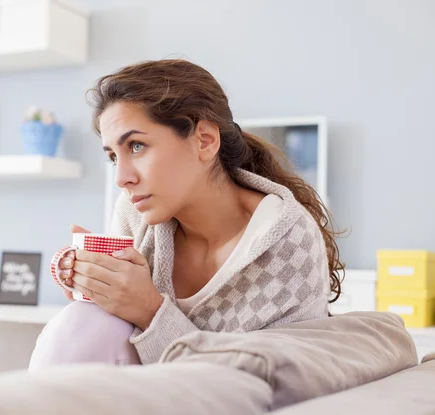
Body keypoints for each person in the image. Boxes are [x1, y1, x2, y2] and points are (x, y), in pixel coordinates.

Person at [28, 59, 344, 370]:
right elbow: (107, 330)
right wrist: (83, 275)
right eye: (113, 157)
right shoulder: (135, 211)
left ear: (204, 140)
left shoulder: (289, 242)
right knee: (84, 320)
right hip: (141, 391)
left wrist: (150, 310)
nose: (121, 178)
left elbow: (264, 388)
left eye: (136, 146)